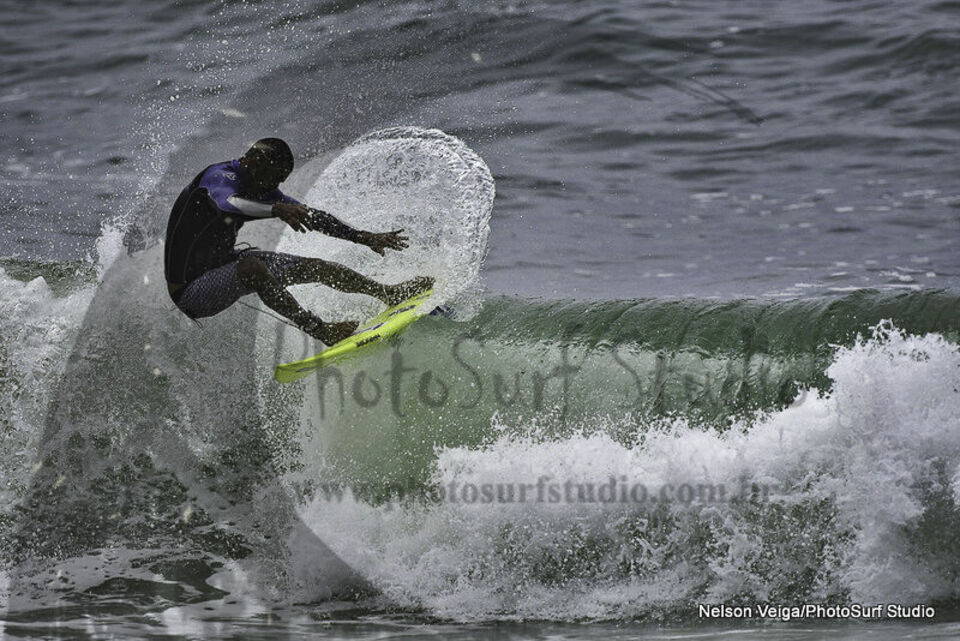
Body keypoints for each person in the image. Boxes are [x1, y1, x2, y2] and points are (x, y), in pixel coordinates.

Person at [163, 138, 432, 343]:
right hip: (191, 292)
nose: (274, 189)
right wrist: (275, 209)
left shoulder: (260, 186)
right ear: (255, 162)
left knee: (315, 266)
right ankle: (321, 330)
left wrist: (362, 237)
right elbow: (228, 203)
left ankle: (389, 294)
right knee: (252, 267)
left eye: (280, 181)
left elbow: (311, 216)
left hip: (224, 265)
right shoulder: (219, 178)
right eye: (274, 178)